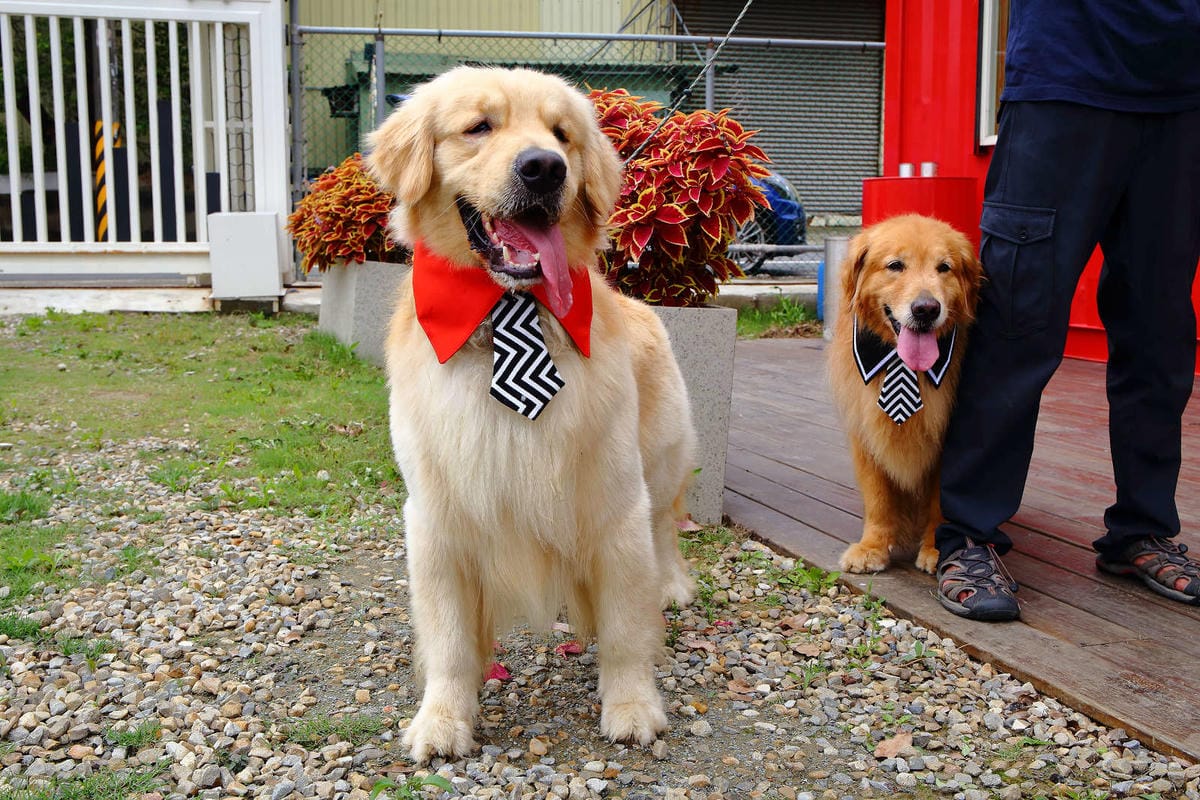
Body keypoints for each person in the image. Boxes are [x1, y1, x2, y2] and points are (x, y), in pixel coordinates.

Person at [934, 0, 1200, 621]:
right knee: (1017, 320)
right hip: (1064, 75)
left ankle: (1142, 529)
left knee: (1160, 331)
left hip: (1183, 92)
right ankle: (968, 533)